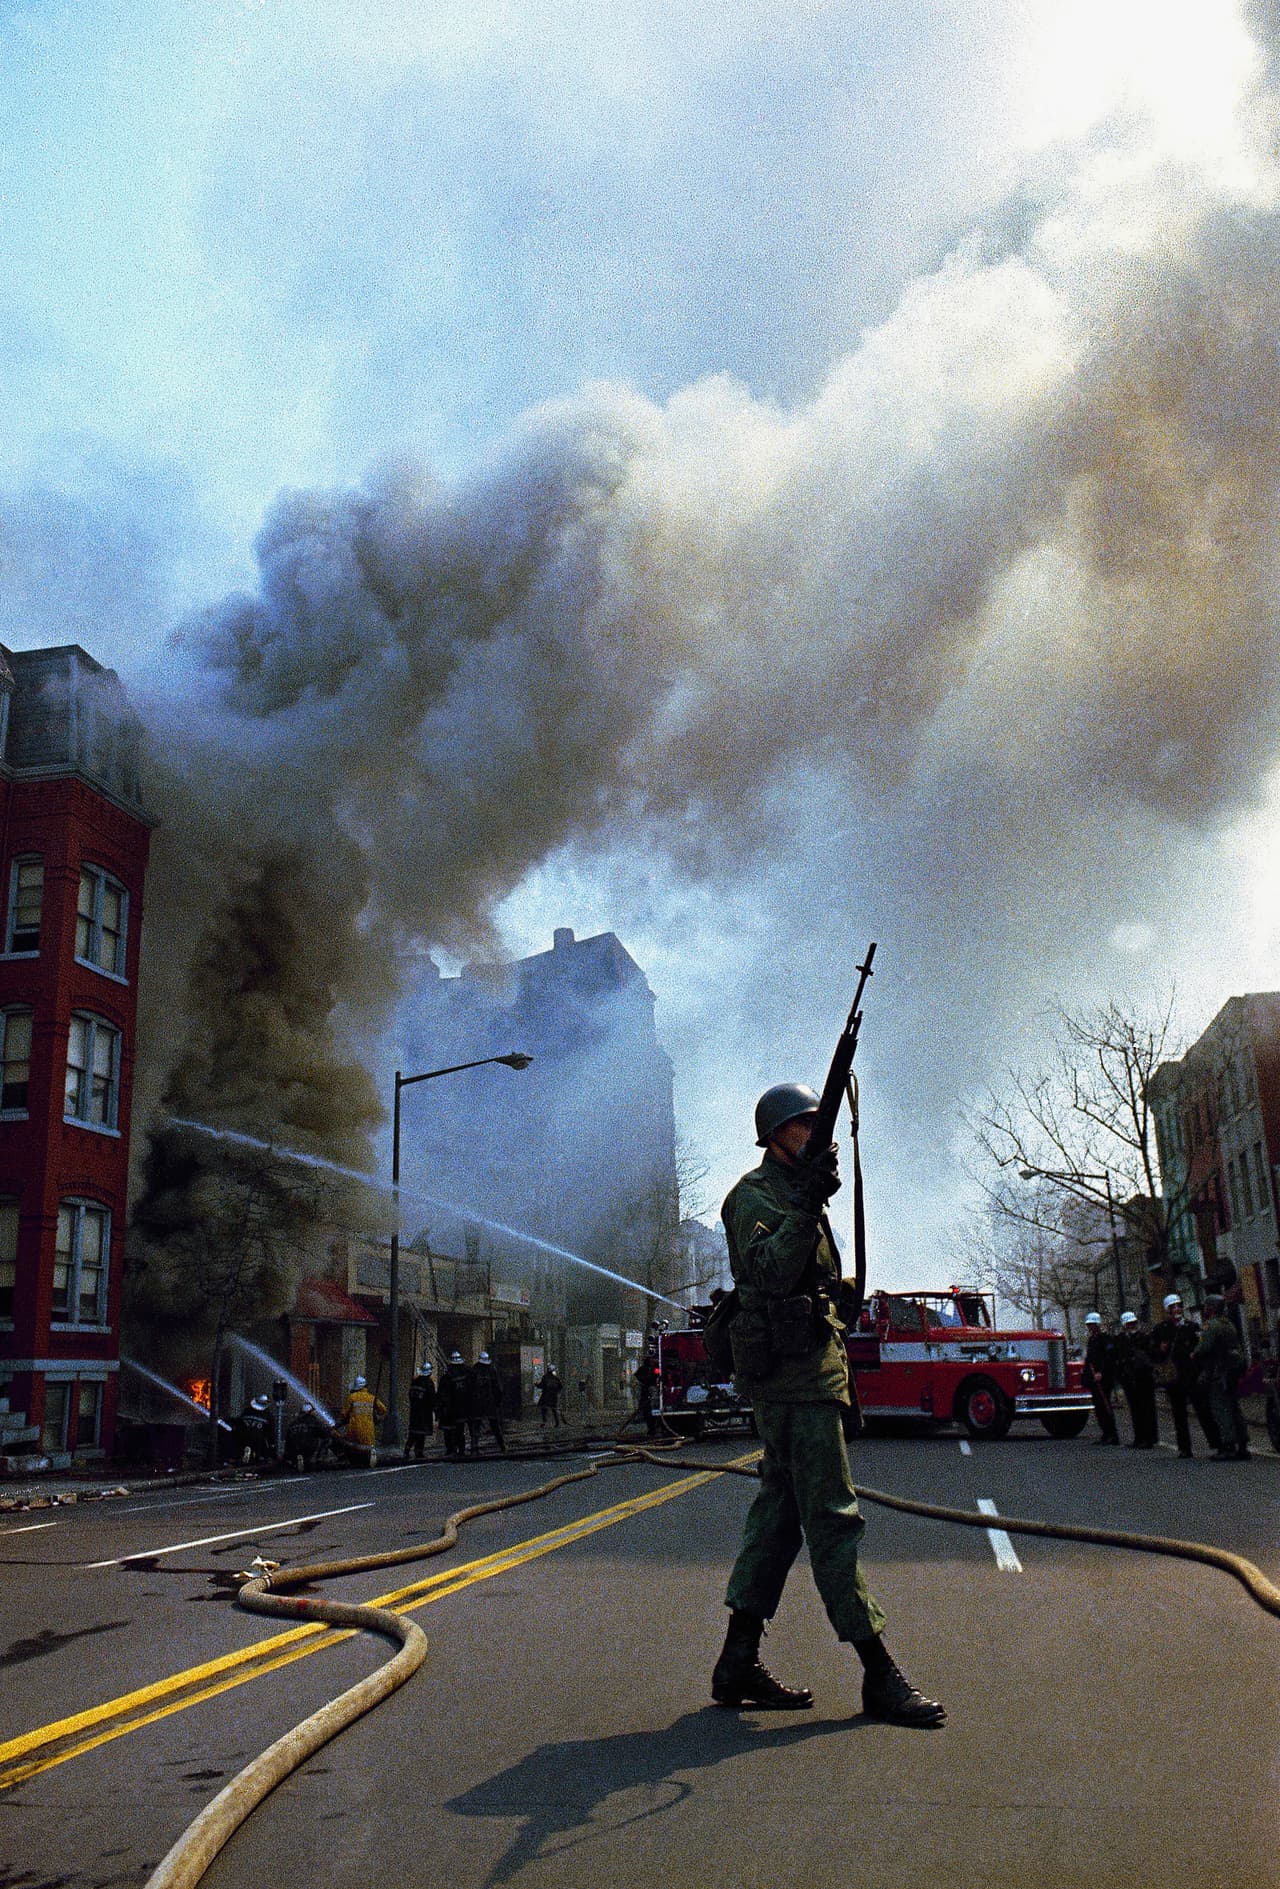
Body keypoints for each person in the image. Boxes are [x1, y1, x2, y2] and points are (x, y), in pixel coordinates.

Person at [711, 1081, 945, 1727]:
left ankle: (737, 1660)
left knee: (779, 1518)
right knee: (833, 1518)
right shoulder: (755, 1196)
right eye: (806, 1125)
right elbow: (769, 1272)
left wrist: (837, 1291)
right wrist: (808, 1201)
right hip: (793, 1382)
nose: (820, 1134)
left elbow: (808, 1280)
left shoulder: (795, 1195)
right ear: (775, 1136)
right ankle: (878, 1671)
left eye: (823, 1123)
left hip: (812, 1371)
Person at [1150, 1293, 1218, 1457]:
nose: (1177, 1310)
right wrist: (1161, 1350)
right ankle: (1184, 1448)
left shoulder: (1192, 1327)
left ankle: (1216, 1443)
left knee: (1203, 1409)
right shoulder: (1161, 1329)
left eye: (1178, 1306)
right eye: (1172, 1307)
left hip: (1192, 1374)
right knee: (1179, 1413)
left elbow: (1201, 1348)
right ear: (1167, 1310)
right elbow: (1153, 1353)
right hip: (1173, 1377)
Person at [1193, 1295, 1250, 1460]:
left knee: (1221, 1407)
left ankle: (1228, 1445)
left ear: (1210, 1308)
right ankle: (1242, 1444)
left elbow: (1204, 1347)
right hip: (1232, 1370)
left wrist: (1194, 1353)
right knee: (1234, 1407)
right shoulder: (1228, 1323)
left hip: (1220, 1371)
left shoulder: (1212, 1325)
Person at [1115, 1310, 1158, 1449]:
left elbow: (1151, 1355)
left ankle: (1149, 1438)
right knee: (1135, 1408)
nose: (1131, 1325)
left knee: (1146, 1408)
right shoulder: (1121, 1339)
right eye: (1129, 1323)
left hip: (1143, 1377)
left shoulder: (1143, 1338)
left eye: (1133, 1323)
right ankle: (1139, 1437)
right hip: (1129, 1377)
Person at [1081, 1311, 1120, 1445]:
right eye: (1089, 1325)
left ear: (1097, 1324)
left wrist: (1101, 1372)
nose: (1090, 1327)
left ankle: (1112, 1434)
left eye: (1092, 1324)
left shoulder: (1105, 1339)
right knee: (1098, 1407)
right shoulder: (1092, 1339)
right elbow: (1090, 1358)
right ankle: (1105, 1433)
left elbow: (1109, 1357)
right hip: (1094, 1377)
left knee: (1105, 1405)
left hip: (1104, 1378)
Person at [337, 1375, 385, 1466]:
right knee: (368, 1446)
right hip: (369, 1432)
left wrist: (337, 1424)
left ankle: (348, 1459)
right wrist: (377, 1417)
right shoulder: (372, 1398)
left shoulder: (352, 1397)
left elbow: (343, 1414)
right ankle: (369, 1455)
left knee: (347, 1444)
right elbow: (383, 1410)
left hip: (354, 1431)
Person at [438, 1352, 471, 1460]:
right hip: (461, 1407)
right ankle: (459, 1450)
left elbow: (441, 1394)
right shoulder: (465, 1375)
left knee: (450, 1431)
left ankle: (452, 1449)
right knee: (459, 1430)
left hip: (451, 1408)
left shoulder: (447, 1377)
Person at [406, 1361, 438, 1460]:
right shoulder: (429, 1383)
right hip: (425, 1412)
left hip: (414, 1411)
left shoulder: (415, 1381)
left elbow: (410, 1395)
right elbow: (432, 1398)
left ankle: (406, 1451)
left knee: (413, 1433)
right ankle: (419, 1452)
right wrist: (435, 1409)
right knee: (421, 1433)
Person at [284, 1401, 328, 1472]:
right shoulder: (313, 1421)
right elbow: (323, 1433)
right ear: (310, 1412)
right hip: (308, 1446)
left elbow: (287, 1439)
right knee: (326, 1440)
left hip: (293, 1448)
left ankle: (295, 1461)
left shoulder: (294, 1422)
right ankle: (317, 1460)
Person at [634, 1355, 658, 1437]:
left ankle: (654, 1430)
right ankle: (651, 1430)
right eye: (651, 1359)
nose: (653, 1361)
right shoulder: (643, 1369)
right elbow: (638, 1377)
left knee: (652, 1413)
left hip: (653, 1394)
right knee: (647, 1413)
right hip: (646, 1394)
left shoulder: (655, 1369)